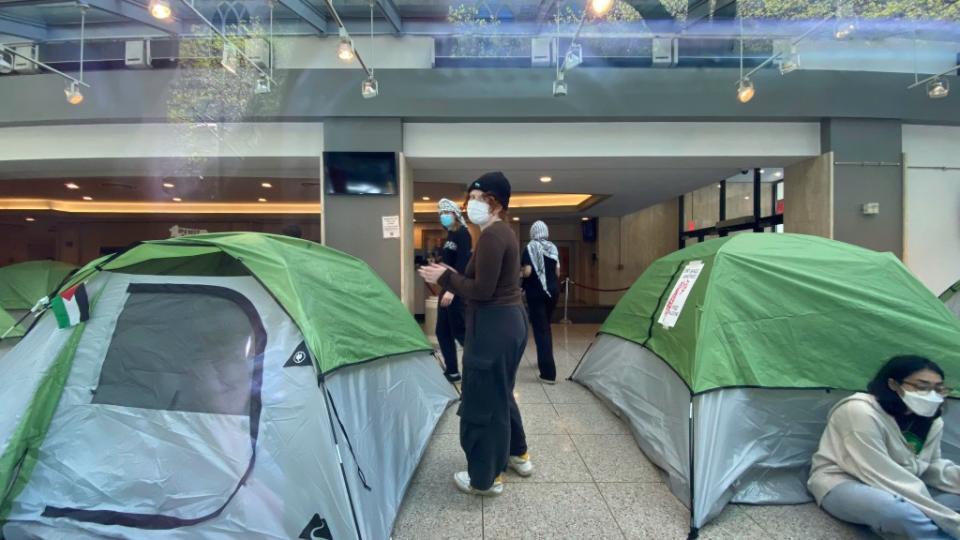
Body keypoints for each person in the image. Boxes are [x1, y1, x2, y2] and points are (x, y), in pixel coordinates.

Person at [418, 172, 532, 497]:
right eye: (470, 199)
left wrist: (445, 279)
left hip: (493, 327)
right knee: (500, 393)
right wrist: (448, 274)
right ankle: (517, 454)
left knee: (483, 402)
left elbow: (481, 291)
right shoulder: (499, 234)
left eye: (477, 198)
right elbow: (485, 281)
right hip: (508, 323)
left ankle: (485, 478)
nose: (470, 205)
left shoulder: (494, 236)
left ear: (494, 202)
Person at [809, 356, 960, 539]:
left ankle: (902, 529)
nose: (932, 395)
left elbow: (931, 465)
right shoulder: (860, 410)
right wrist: (951, 521)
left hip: (904, 484)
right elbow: (878, 472)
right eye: (921, 387)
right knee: (897, 511)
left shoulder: (932, 421)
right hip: (846, 481)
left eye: (938, 389)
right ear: (893, 384)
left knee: (937, 505)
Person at [435, 198, 473, 382]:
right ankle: (452, 371)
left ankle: (480, 367)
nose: (443, 216)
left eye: (446, 212)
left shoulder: (463, 233)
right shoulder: (450, 235)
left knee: (460, 332)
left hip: (455, 289)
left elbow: (463, 263)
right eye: (441, 213)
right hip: (446, 286)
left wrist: (453, 290)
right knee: (442, 331)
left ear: (455, 214)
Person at [521, 220, 559, 384]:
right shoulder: (552, 247)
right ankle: (543, 359)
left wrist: (521, 276)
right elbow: (557, 271)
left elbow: (528, 271)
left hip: (536, 293)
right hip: (553, 292)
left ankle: (548, 373)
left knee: (540, 330)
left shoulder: (530, 247)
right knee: (546, 327)